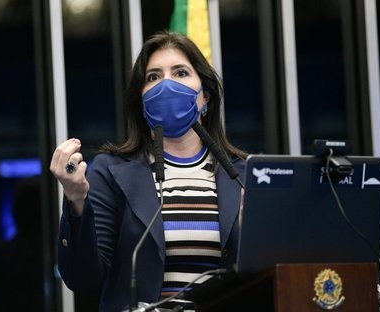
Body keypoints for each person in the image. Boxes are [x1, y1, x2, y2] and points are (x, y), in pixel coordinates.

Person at [50, 30, 247, 312]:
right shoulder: (112, 171)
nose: (166, 85)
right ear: (141, 102)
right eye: (153, 77)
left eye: (180, 73)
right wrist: (75, 198)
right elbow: (83, 280)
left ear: (206, 97)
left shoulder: (242, 175)